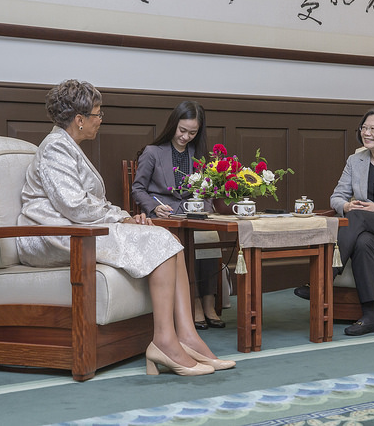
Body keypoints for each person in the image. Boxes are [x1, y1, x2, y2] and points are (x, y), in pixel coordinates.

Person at [16, 80, 234, 376]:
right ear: (79, 119)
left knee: (169, 240)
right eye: (98, 114)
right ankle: (164, 342)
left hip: (78, 228)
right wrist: (122, 219)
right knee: (159, 240)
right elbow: (75, 206)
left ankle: (186, 336)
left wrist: (124, 217)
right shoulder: (55, 147)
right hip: (54, 235)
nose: (100, 120)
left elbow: (85, 205)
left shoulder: (67, 146)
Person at [294, 105, 374, 336]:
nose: (366, 133)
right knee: (362, 242)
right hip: (366, 226)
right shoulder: (355, 160)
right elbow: (337, 196)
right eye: (364, 128)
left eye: (373, 129)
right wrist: (345, 206)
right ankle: (370, 316)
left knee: (357, 217)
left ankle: (322, 279)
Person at [132, 101, 225, 330]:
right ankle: (194, 302)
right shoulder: (153, 152)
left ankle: (209, 301)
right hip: (166, 215)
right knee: (184, 243)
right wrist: (154, 208)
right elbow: (138, 189)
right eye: (182, 130)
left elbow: (207, 191)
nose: (185, 137)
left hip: (194, 214)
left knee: (208, 237)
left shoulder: (199, 155)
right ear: (173, 124)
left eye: (192, 133)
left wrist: (205, 208)